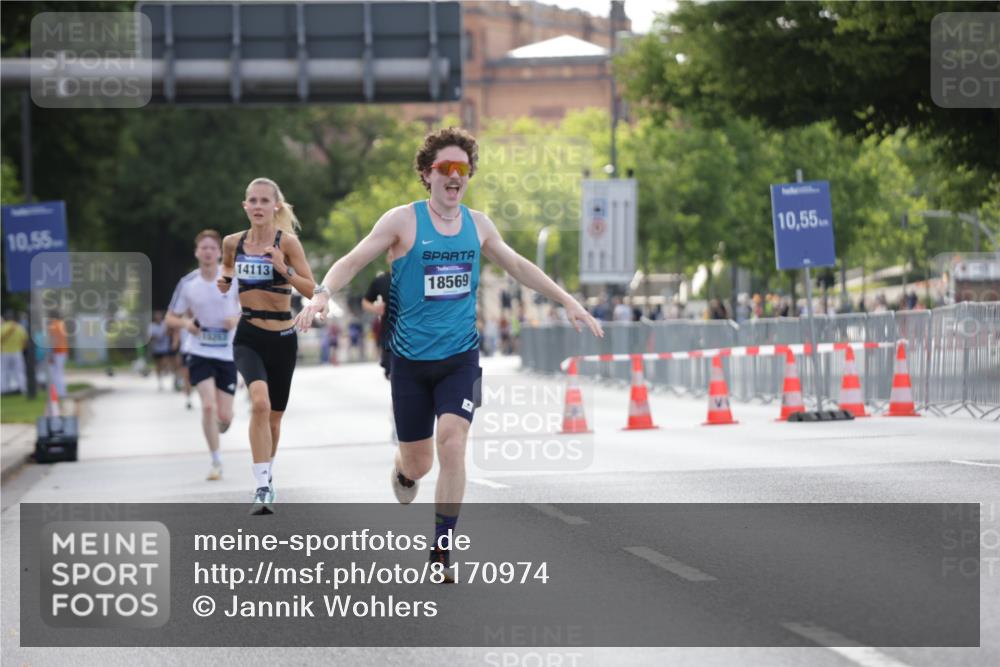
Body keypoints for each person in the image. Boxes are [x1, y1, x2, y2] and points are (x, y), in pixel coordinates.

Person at [296, 127, 603, 579]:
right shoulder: (402, 221)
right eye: (446, 169)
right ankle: (402, 468)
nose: (455, 177)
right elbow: (354, 259)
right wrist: (321, 294)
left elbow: (517, 265)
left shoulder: (478, 226)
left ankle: (442, 548)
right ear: (427, 173)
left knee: (454, 444)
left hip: (460, 358)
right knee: (419, 464)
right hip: (410, 362)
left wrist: (568, 301)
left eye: (463, 169)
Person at [221, 177, 316, 516]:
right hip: (249, 336)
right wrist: (225, 280)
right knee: (259, 404)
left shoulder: (287, 243)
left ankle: (268, 473)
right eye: (252, 200)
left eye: (265, 201)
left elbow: (311, 290)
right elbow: (228, 270)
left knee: (274, 417)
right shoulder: (232, 242)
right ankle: (261, 484)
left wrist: (283, 268)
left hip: (282, 338)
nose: (258, 206)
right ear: (245, 206)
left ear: (275, 206)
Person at [166, 230, 242, 482]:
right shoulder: (188, 283)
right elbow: (170, 317)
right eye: (204, 248)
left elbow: (249, 308)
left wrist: (237, 318)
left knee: (225, 417)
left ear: (219, 253)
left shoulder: (232, 278)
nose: (208, 252)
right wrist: (187, 325)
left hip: (227, 351)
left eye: (213, 248)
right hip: (199, 350)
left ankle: (221, 426)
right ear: (197, 252)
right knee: (207, 406)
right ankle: (216, 460)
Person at [363, 267, 396, 442]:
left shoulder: (417, 274)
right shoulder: (382, 281)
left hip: (417, 337)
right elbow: (366, 301)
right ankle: (398, 421)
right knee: (397, 383)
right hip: (390, 338)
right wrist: (376, 309)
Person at [1, 311, 29, 394]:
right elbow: (25, 340)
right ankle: (22, 388)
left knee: (3, 371)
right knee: (19, 371)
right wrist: (22, 348)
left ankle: (3, 389)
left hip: (4, 352)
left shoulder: (2, 328)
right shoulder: (20, 327)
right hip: (17, 352)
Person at [148, 310, 174, 391]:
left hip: (165, 348)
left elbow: (170, 333)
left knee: (165, 362)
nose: (158, 317)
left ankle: (167, 370)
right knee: (158, 366)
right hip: (156, 349)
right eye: (156, 316)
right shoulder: (151, 326)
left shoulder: (165, 324)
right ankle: (160, 382)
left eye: (159, 315)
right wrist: (157, 336)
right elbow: (150, 337)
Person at [45, 311, 69, 398]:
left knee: (56, 373)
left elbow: (53, 340)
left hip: (57, 351)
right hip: (63, 350)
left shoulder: (53, 326)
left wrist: (50, 353)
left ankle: (59, 393)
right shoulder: (61, 324)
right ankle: (61, 392)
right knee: (59, 372)